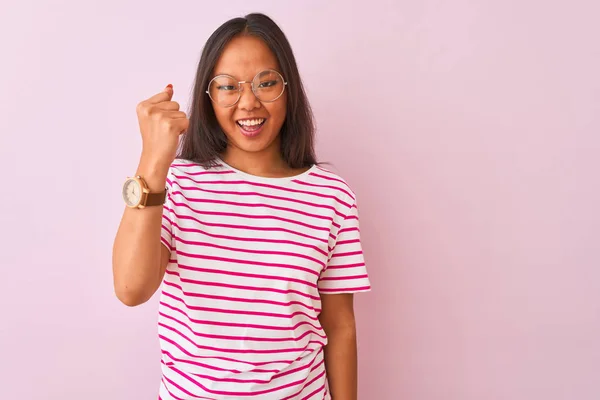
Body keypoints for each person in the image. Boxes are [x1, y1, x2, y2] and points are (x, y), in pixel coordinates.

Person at [112, 12, 371, 400]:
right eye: (228, 87)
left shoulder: (331, 195)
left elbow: (339, 326)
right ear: (208, 96)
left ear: (289, 89)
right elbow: (131, 289)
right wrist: (153, 159)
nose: (249, 102)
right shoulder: (177, 183)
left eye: (266, 83)